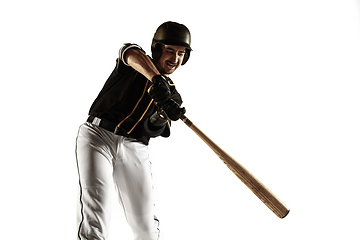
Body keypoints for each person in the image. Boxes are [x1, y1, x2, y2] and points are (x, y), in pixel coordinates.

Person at [75, 21, 192, 240]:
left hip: (135, 146)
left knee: (146, 227)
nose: (175, 59)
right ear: (157, 49)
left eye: (180, 53)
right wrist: (156, 79)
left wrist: (163, 114)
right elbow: (129, 53)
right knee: (96, 215)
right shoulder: (137, 62)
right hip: (98, 136)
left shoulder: (173, 97)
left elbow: (152, 129)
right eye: (169, 51)